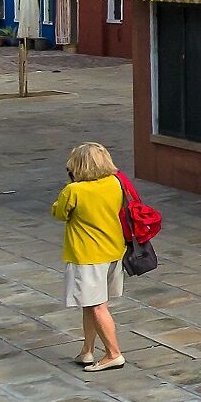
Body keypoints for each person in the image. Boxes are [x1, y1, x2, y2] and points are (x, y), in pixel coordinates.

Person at [52, 142, 128, 371]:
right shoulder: (115, 183)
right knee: (91, 303)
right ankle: (87, 350)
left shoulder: (74, 190)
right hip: (114, 250)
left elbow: (59, 212)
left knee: (96, 306)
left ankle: (113, 353)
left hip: (87, 255)